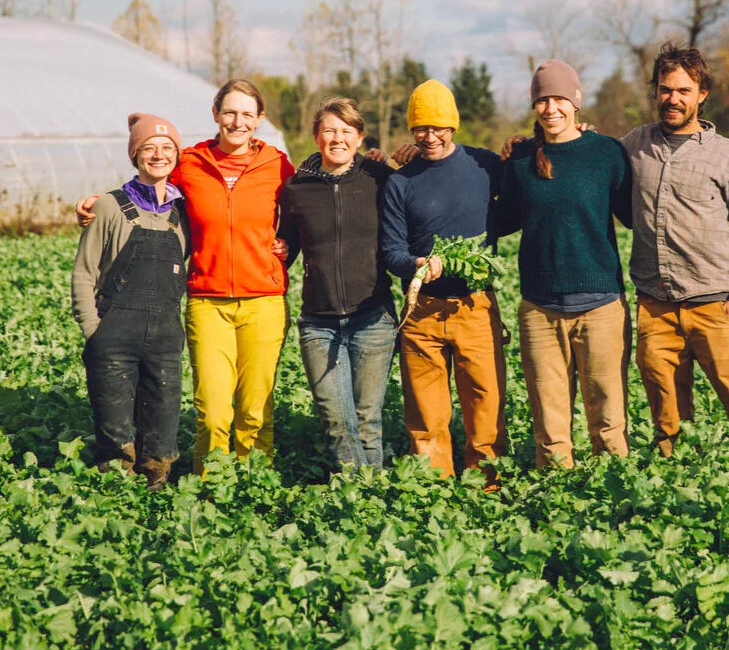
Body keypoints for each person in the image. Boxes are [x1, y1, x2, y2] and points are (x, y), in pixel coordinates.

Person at [77, 79, 294, 474]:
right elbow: (146, 187)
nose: (238, 121)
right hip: (207, 302)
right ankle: (211, 487)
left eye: (248, 114)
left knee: (255, 410)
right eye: (230, 112)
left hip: (264, 301)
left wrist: (289, 245)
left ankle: (253, 485)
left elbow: (310, 207)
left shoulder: (278, 165)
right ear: (216, 115)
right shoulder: (190, 163)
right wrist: (99, 203)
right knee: (212, 412)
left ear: (260, 119)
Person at [625, 42, 729, 468]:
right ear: (655, 91)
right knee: (668, 423)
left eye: (683, 90)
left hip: (715, 307)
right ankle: (681, 492)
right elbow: (588, 159)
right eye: (665, 89)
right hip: (655, 310)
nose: (673, 99)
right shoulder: (634, 146)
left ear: (702, 94)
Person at [498, 60, 634, 467]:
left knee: (609, 420)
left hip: (602, 308)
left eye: (558, 98)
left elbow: (635, 215)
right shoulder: (521, 159)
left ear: (576, 101)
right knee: (550, 426)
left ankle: (613, 497)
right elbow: (500, 219)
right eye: (541, 100)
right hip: (540, 310)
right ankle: (556, 502)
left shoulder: (606, 153)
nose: (550, 108)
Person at [380, 79, 506, 485]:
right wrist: (417, 264)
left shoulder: (484, 166)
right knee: (426, 414)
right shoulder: (401, 181)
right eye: (421, 128)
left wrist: (525, 145)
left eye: (438, 127)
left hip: (476, 306)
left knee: (485, 405)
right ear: (411, 130)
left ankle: (486, 484)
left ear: (453, 126)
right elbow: (391, 251)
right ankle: (433, 491)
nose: (429, 137)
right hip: (422, 313)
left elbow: (522, 198)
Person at [273, 97, 397, 472]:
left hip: (372, 317)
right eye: (329, 130)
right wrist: (283, 246)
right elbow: (289, 241)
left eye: (346, 131)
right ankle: (361, 492)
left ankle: (368, 499)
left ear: (360, 138)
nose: (337, 138)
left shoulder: (381, 180)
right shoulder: (296, 188)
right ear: (316, 136)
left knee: (367, 419)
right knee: (335, 419)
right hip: (319, 321)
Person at [71, 113, 190, 490]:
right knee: (114, 424)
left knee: (163, 420)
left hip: (165, 335)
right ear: (135, 155)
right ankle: (116, 491)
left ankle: (155, 487)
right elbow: (84, 273)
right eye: (149, 148)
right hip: (114, 334)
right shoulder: (109, 206)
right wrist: (94, 331)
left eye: (167, 147)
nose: (159, 155)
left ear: (177, 155)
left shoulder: (184, 213)